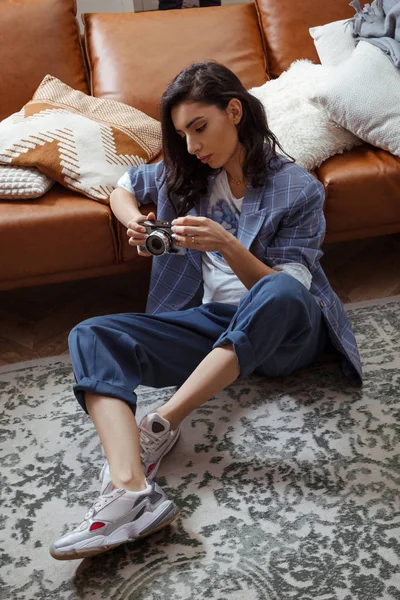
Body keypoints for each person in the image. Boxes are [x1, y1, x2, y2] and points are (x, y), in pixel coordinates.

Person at [50, 61, 362, 561]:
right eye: (182, 135)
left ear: (234, 111)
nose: (193, 146)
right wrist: (135, 221)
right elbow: (123, 185)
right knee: (90, 334)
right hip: (218, 326)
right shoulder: (187, 177)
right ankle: (132, 492)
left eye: (200, 128)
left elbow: (290, 287)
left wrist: (227, 244)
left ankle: (160, 425)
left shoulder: (298, 189)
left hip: (289, 333)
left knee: (279, 291)